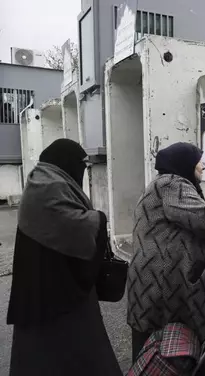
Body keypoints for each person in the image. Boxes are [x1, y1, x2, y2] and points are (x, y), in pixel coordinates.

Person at [7, 138, 121, 376]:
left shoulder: (41, 180)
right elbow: (73, 227)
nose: (82, 172)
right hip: (59, 290)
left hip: (41, 282)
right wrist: (97, 219)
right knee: (73, 348)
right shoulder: (50, 188)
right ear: (67, 163)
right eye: (81, 165)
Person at [126, 142, 205, 376]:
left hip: (151, 283)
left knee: (151, 351)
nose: (203, 167)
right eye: (199, 162)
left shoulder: (160, 184)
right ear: (185, 165)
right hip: (164, 286)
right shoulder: (172, 184)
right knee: (173, 353)